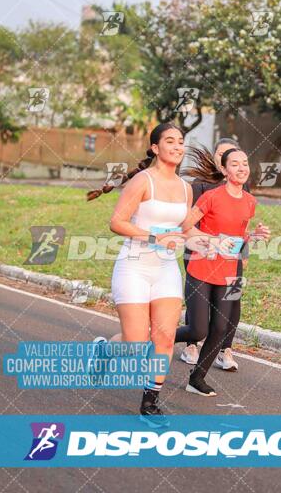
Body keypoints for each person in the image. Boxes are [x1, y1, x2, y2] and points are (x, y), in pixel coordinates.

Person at [88, 123, 199, 427]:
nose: (178, 146)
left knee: (164, 336)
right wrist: (153, 237)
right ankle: (104, 350)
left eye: (181, 142)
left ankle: (150, 403)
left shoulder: (185, 188)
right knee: (135, 344)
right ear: (155, 148)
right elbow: (117, 222)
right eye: (170, 141)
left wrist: (215, 241)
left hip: (165, 269)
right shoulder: (142, 181)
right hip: (134, 266)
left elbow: (186, 229)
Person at [176, 148, 271, 396]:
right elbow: (185, 227)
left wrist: (254, 237)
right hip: (202, 268)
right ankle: (155, 341)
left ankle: (196, 379)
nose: (242, 168)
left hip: (231, 271)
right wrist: (212, 240)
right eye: (235, 164)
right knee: (198, 330)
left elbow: (239, 236)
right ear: (224, 170)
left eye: (245, 163)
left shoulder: (250, 202)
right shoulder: (211, 196)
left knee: (221, 328)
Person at [179, 139, 251, 371]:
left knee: (233, 301)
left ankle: (225, 349)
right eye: (224, 155)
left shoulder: (243, 187)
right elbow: (188, 223)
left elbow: (243, 224)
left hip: (232, 257)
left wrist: (244, 251)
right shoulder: (201, 185)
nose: (229, 159)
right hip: (202, 254)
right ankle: (191, 344)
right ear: (220, 163)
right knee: (199, 304)